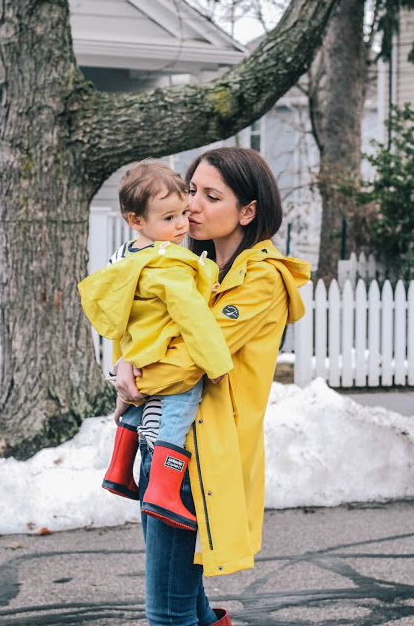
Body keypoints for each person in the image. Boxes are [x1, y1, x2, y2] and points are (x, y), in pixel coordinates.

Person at [114, 147, 311, 626]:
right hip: (166, 446)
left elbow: (186, 364)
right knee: (184, 599)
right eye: (191, 189)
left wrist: (129, 375)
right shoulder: (193, 268)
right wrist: (128, 356)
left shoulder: (261, 278)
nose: (192, 204)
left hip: (195, 457)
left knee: (167, 609)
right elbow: (148, 329)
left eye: (211, 195)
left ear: (248, 211)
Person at [78, 162, 233, 531]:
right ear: (136, 220)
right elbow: (194, 316)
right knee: (180, 410)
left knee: (135, 412)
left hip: (137, 351)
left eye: (182, 212)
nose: (182, 223)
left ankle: (118, 470)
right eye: (169, 217)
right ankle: (164, 491)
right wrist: (216, 363)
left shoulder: (126, 257)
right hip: (162, 352)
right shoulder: (169, 265)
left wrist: (122, 363)